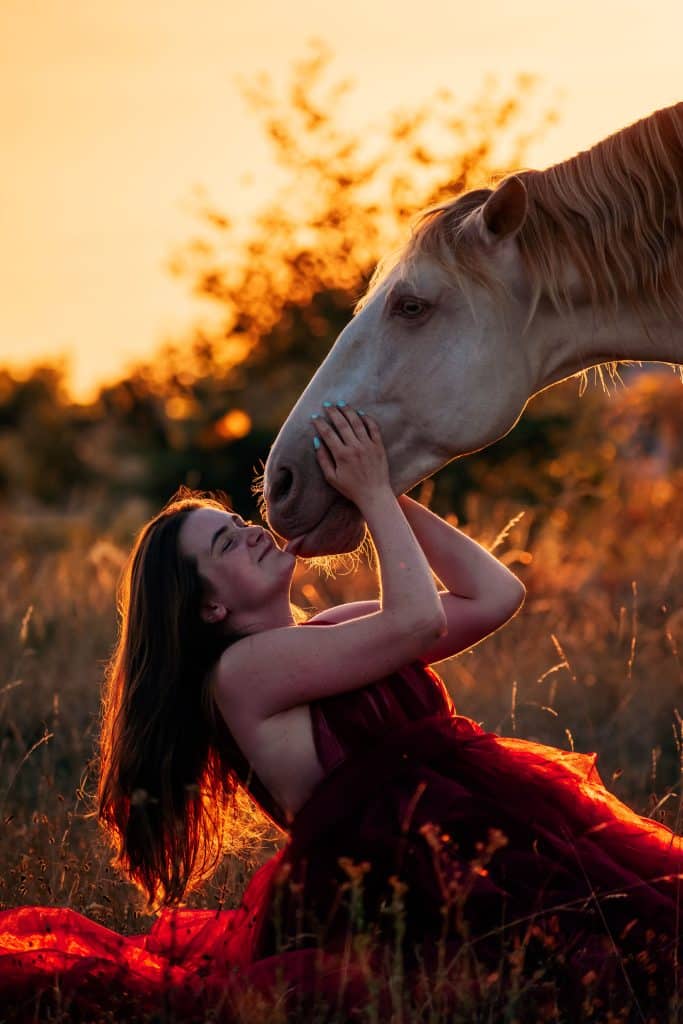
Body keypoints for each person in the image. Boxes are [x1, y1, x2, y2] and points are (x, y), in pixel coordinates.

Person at [0, 405, 681, 1022]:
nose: (249, 534)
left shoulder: (340, 625)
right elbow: (415, 623)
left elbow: (494, 594)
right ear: (209, 608)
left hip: (490, 846)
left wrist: (393, 491)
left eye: (238, 523)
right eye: (224, 546)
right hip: (394, 901)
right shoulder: (241, 673)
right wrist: (372, 493)